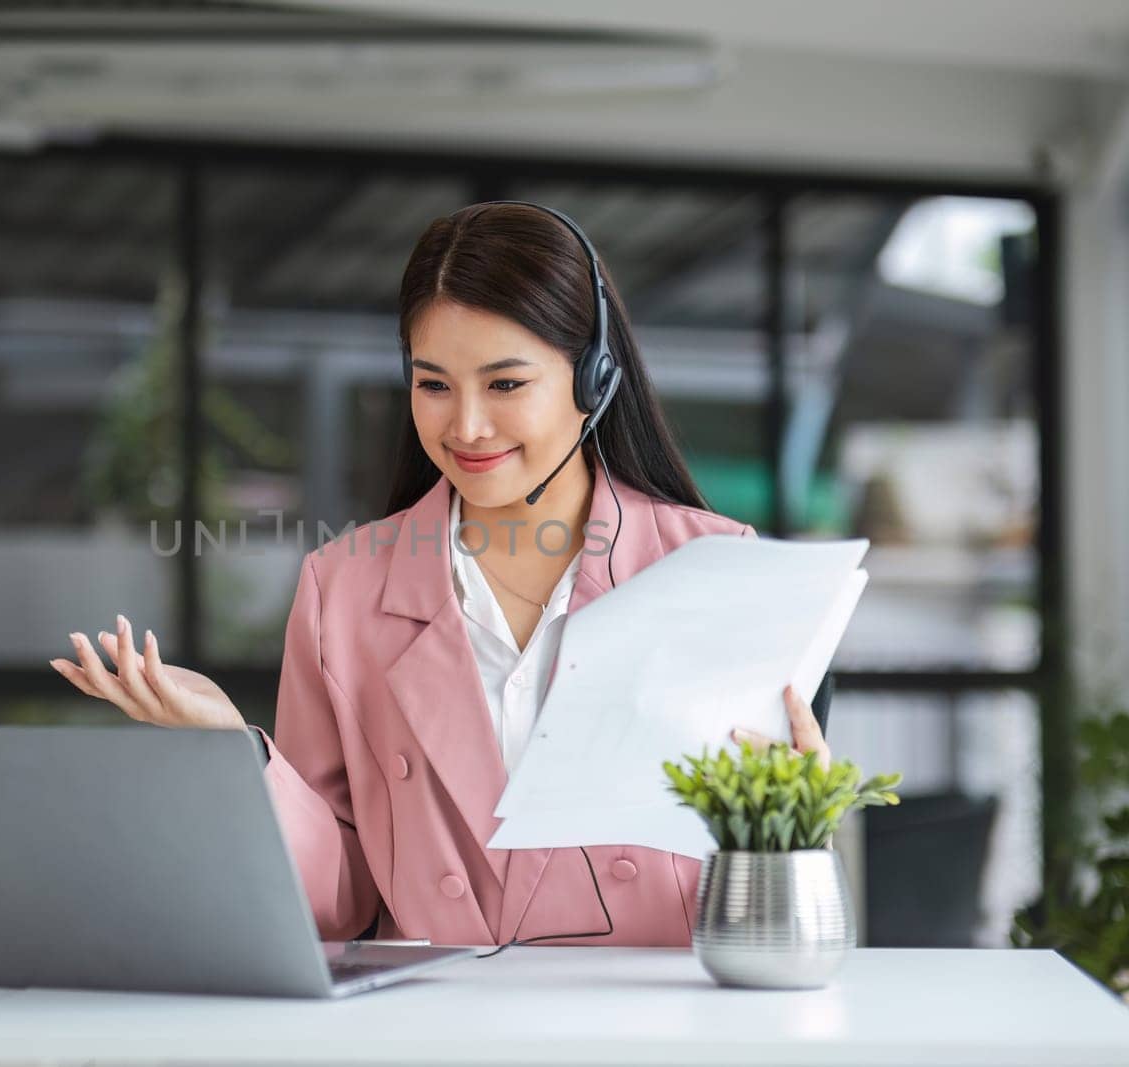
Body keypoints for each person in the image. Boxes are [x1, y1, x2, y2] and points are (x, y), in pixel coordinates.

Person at [50, 202, 831, 948]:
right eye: (433, 385)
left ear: (593, 379)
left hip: (656, 1028)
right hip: (427, 1028)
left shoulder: (716, 570)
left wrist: (793, 816)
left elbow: (759, 871)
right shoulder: (343, 591)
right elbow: (340, 901)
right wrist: (237, 751)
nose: (465, 426)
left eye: (505, 383)